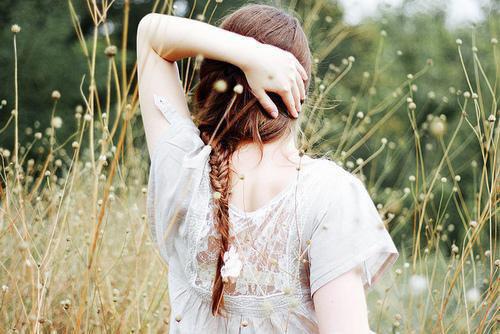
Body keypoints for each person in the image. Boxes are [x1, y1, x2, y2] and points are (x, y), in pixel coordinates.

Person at [136, 3, 398, 333]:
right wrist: (254, 54)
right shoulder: (329, 194)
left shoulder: (184, 170)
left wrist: (246, 54)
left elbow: (150, 35)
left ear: (214, 77)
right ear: (298, 88)